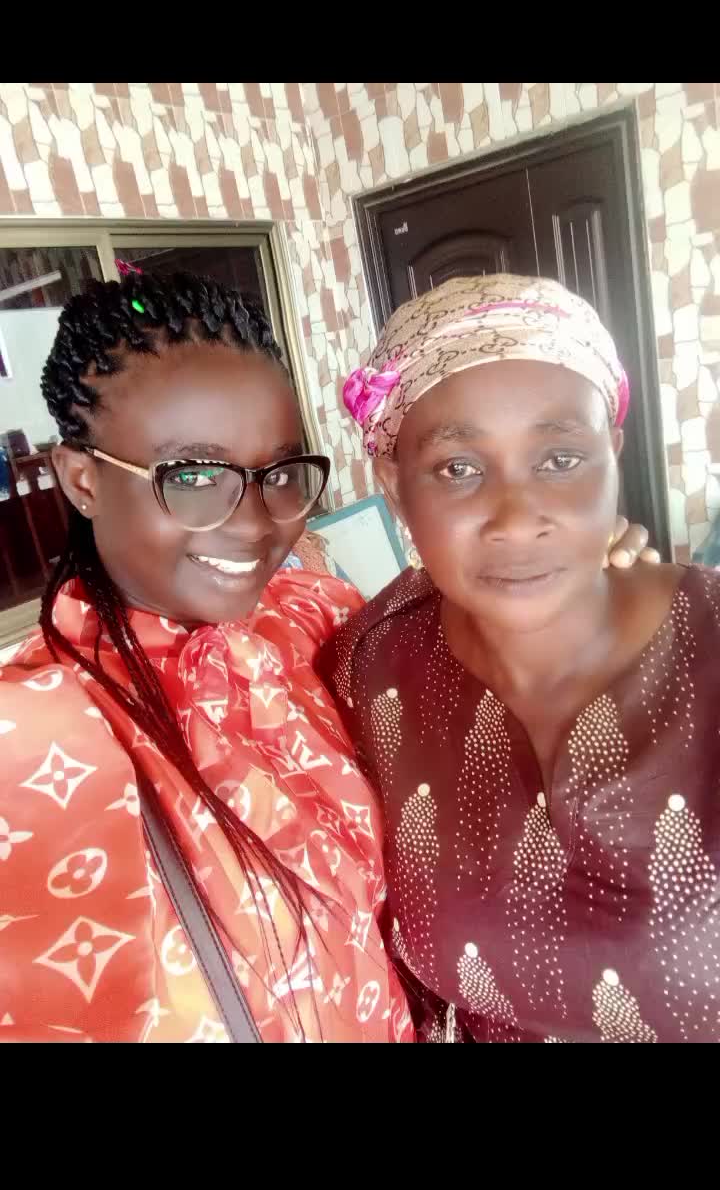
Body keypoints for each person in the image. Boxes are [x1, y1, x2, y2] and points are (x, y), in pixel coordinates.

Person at [0, 269, 412, 1043]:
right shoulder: (28, 738)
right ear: (83, 480)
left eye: (277, 473)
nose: (255, 524)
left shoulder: (318, 615)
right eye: (193, 475)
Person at [318, 273, 720, 1044]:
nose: (516, 518)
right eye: (458, 468)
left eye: (561, 459)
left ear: (613, 455)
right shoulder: (371, 665)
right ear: (394, 487)